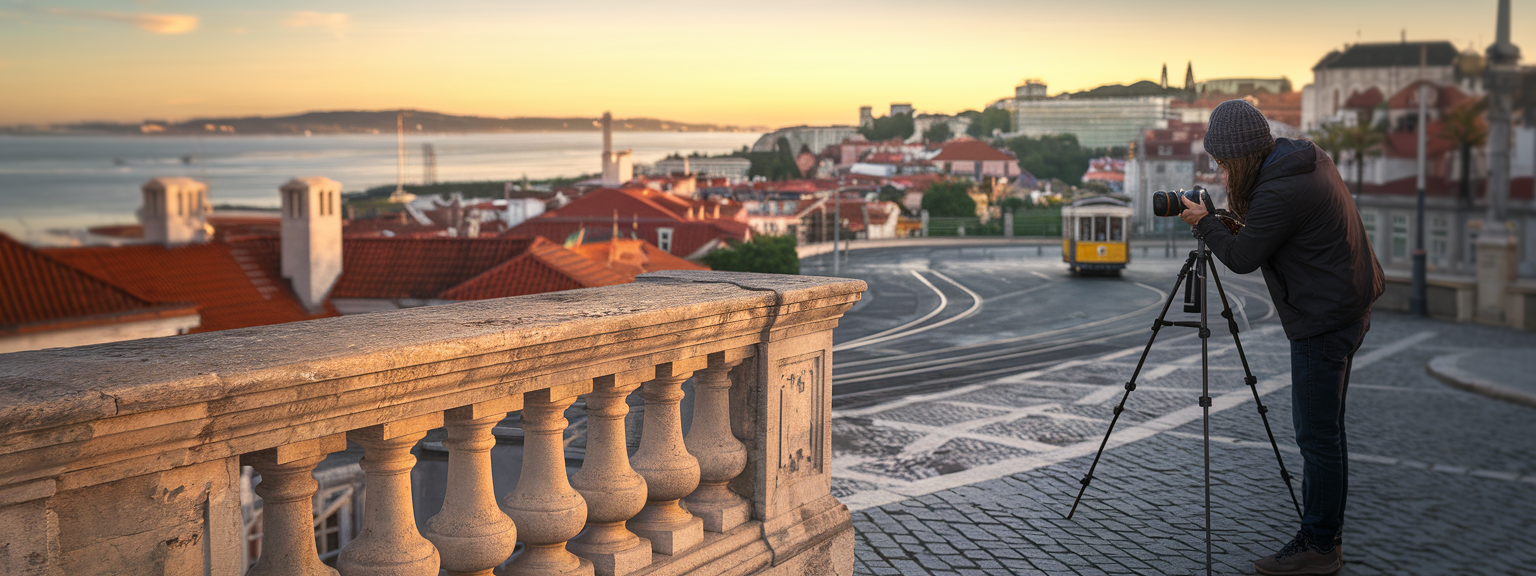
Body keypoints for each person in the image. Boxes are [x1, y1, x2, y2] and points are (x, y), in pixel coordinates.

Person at [1177, 99, 1384, 576]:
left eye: (1225, 165)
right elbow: (1268, 231)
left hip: (1323, 321)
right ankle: (1326, 536)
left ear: (1243, 157)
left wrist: (1205, 222)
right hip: (1350, 306)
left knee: (1317, 437)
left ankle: (1318, 546)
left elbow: (1243, 257)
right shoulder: (1303, 159)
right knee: (1329, 433)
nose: (1222, 174)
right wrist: (1225, 216)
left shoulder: (1279, 191)